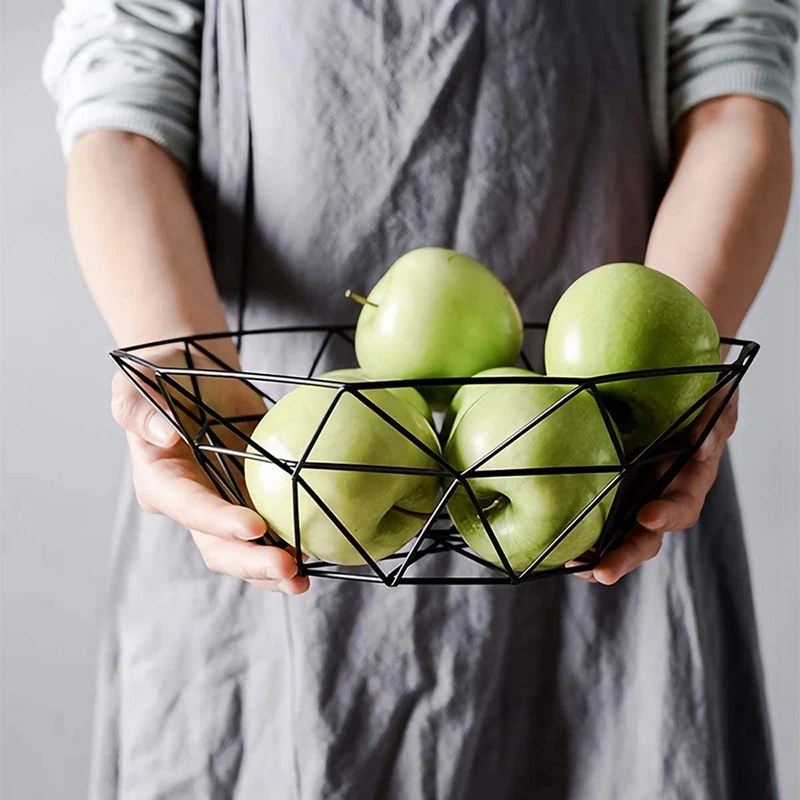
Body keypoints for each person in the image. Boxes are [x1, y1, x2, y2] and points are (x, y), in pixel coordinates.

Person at [43, 1, 796, 798]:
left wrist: (670, 389)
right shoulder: (231, 439)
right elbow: (122, 100)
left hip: (612, 471)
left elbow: (734, 83)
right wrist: (185, 389)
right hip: (251, 452)